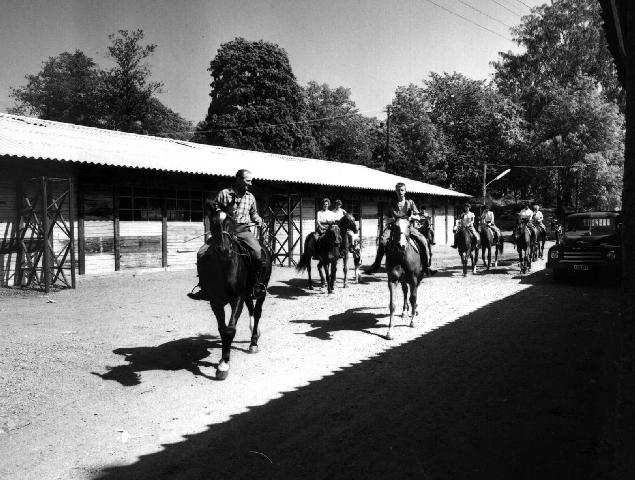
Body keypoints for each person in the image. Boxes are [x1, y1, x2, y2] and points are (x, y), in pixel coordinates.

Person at [189, 169, 266, 300]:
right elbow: (214, 208)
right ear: (238, 179)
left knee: (258, 252)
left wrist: (259, 220)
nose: (250, 184)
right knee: (201, 253)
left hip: (243, 231)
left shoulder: (250, 197)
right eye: (247, 181)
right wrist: (222, 215)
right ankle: (204, 286)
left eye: (251, 181)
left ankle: (256, 284)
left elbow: (254, 214)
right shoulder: (224, 194)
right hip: (224, 230)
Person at [367, 182, 436, 275]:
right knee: (383, 241)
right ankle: (376, 265)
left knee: (423, 240)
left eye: (402, 190)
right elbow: (386, 218)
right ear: (395, 191)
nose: (400, 192)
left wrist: (412, 217)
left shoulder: (410, 203)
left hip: (408, 227)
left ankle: (426, 266)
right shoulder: (391, 204)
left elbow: (417, 216)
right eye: (398, 190)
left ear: (405, 191)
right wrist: (393, 219)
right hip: (393, 227)